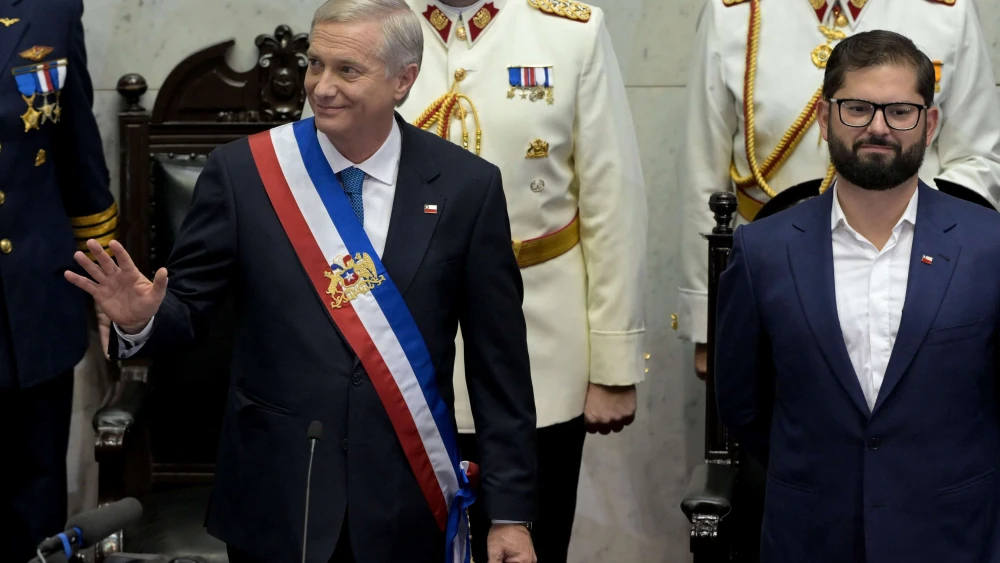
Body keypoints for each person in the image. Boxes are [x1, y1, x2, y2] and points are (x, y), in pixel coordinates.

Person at [66, 0, 538, 561]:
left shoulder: (467, 188)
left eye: (348, 70)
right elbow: (187, 309)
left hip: (407, 497)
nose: (322, 87)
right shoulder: (245, 173)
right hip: (277, 493)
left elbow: (499, 368)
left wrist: (510, 515)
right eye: (316, 64)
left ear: (403, 80)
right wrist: (141, 320)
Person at [716, 30, 1000, 563]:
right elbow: (743, 402)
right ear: (825, 120)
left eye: (900, 111)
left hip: (954, 535)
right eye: (857, 108)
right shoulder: (762, 251)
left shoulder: (990, 246)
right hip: (811, 536)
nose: (878, 127)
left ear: (930, 125)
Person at [394, 1, 647, 559]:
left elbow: (611, 201)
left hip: (541, 352)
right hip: (398, 341)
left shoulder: (570, 32)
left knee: (533, 543)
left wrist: (614, 362)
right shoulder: (372, 23)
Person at [679, 0, 1000, 380]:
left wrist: (895, 218)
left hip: (922, 279)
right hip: (775, 279)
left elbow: (978, 158)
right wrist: (707, 319)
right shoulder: (733, 13)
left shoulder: (947, 12)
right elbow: (704, 170)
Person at [0, 0, 117, 559]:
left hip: (30, 304)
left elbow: (77, 150)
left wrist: (103, 277)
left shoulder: (53, 10)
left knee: (34, 496)